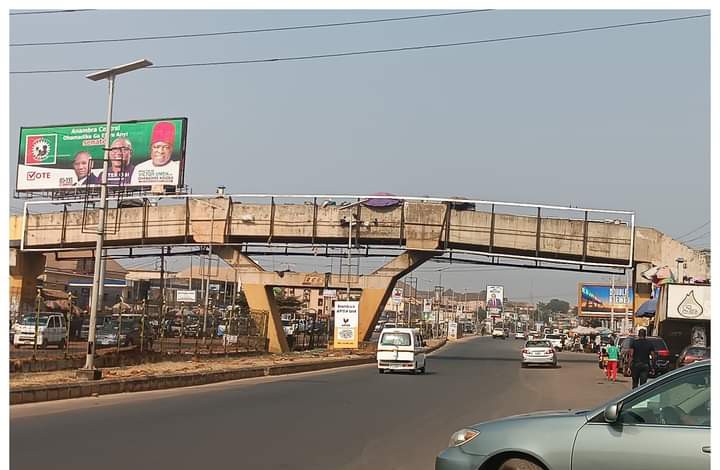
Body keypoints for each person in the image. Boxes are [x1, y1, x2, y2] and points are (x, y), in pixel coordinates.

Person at [131, 121, 180, 186]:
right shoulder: (139, 168)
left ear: (171, 149)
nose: (160, 151)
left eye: (165, 147)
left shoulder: (177, 168)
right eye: (156, 147)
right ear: (151, 148)